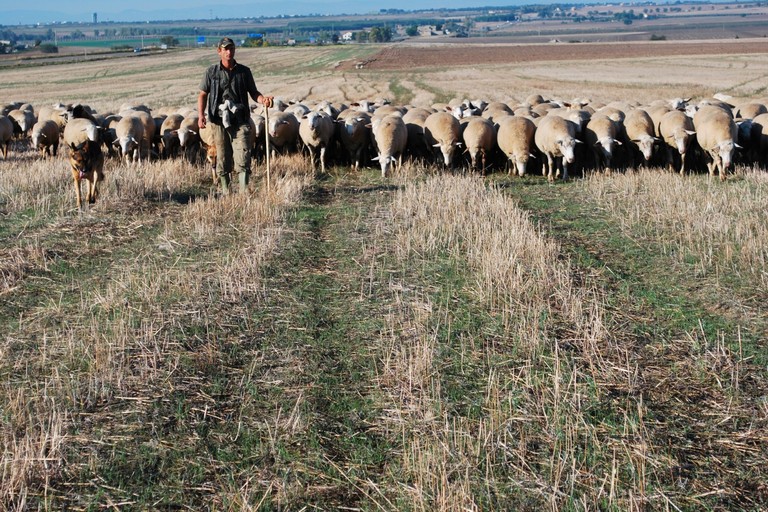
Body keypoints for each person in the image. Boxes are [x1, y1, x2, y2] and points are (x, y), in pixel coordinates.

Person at [198, 37, 274, 193]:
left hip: (240, 120)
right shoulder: (211, 72)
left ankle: (243, 191)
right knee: (223, 156)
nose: (229, 52)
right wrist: (201, 115)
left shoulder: (244, 72)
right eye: (225, 49)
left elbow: (253, 92)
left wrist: (263, 99)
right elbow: (203, 94)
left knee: (243, 155)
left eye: (231, 48)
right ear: (219, 51)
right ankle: (226, 192)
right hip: (218, 121)